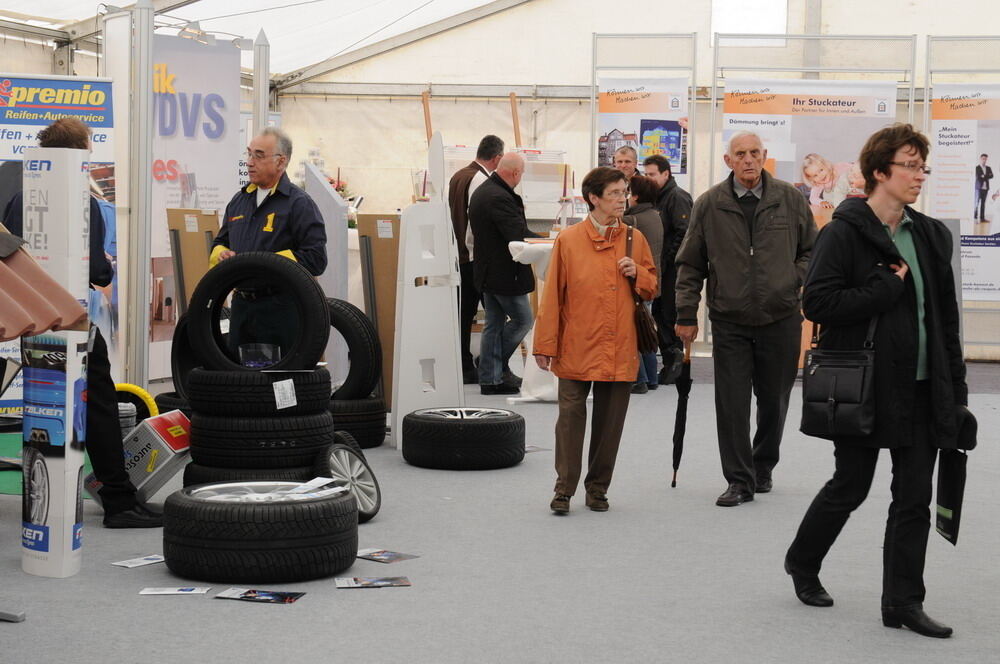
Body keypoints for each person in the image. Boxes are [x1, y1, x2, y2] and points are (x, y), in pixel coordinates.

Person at [784, 124, 968, 639]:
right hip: (866, 385)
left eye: (921, 166)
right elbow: (817, 303)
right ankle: (802, 561)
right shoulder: (844, 231)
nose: (919, 175)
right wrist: (884, 287)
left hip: (924, 386)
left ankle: (902, 602)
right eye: (910, 165)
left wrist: (956, 390)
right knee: (851, 485)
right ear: (880, 172)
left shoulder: (931, 234)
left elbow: (944, 320)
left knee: (914, 496)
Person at [2, 117, 161, 528]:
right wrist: (105, 267)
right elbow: (96, 270)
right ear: (81, 151)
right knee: (100, 405)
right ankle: (119, 501)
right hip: (73, 319)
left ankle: (45, 504)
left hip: (33, 322)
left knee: (44, 410)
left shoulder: (22, 196)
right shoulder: (82, 199)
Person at [674, 131, 816, 507]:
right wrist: (686, 313)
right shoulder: (709, 204)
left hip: (781, 316)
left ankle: (763, 465)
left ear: (764, 155)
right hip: (730, 319)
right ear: (728, 160)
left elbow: (812, 251)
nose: (749, 159)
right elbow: (690, 264)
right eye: (741, 154)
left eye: (755, 153)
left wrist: (793, 280)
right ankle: (738, 479)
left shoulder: (790, 199)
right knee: (732, 403)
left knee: (774, 399)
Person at [534, 167, 657, 514]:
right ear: (593, 198)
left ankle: (598, 489)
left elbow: (652, 286)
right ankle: (563, 490)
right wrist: (545, 345)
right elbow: (553, 297)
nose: (622, 199)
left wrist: (640, 273)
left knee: (610, 423)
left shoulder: (635, 238)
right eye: (615, 193)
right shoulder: (569, 240)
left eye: (624, 192)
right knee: (570, 420)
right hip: (576, 342)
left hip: (620, 344)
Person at [211, 127, 327, 359]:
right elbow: (219, 241)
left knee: (278, 382)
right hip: (242, 307)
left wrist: (270, 264)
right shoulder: (239, 201)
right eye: (249, 154)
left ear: (281, 162)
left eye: (259, 155)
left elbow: (316, 258)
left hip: (281, 309)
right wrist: (221, 254)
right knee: (239, 380)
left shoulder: (298, 204)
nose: (250, 162)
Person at [469, 152, 538, 395]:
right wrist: (551, 241)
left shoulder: (487, 191)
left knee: (494, 324)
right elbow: (517, 233)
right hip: (504, 273)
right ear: (516, 173)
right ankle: (491, 367)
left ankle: (491, 377)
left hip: (489, 271)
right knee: (523, 320)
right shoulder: (498, 196)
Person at [447, 135, 504, 385]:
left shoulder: (458, 175)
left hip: (458, 254)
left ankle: (463, 365)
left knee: (463, 314)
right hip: (472, 256)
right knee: (496, 313)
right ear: (497, 158)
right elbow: (475, 222)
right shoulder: (482, 179)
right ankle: (490, 366)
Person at [642, 153, 692, 384]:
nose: (648, 178)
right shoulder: (657, 197)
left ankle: (675, 363)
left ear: (666, 174)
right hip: (660, 268)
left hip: (673, 269)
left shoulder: (677, 197)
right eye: (646, 174)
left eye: (652, 174)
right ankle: (671, 363)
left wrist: (665, 261)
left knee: (669, 314)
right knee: (659, 314)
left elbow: (683, 233)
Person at [624, 174, 663, 394]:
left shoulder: (631, 220)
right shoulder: (655, 216)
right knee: (646, 329)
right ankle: (651, 378)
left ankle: (639, 379)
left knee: (634, 332)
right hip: (651, 281)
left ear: (635, 196)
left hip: (636, 282)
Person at [974, 153, 992, 220]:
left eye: (985, 159)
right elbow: (978, 177)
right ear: (980, 159)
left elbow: (992, 176)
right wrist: (987, 176)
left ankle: (982, 218)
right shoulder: (977, 168)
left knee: (983, 204)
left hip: (985, 188)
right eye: (983, 159)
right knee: (976, 203)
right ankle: (974, 216)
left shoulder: (988, 168)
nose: (984, 160)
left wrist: (984, 176)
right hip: (978, 188)